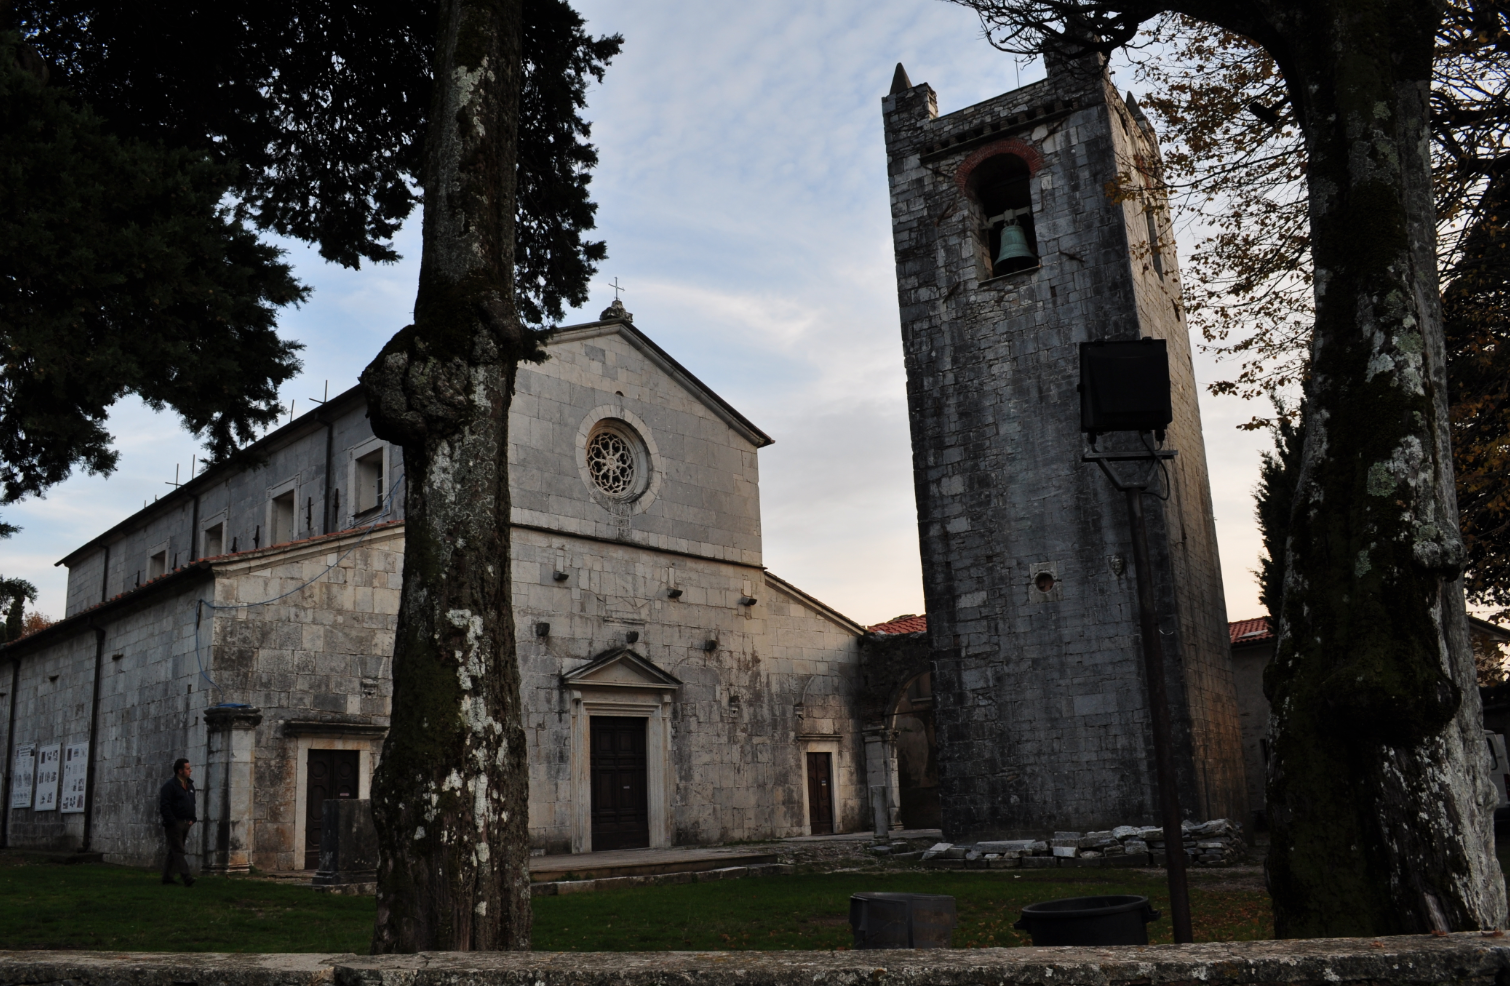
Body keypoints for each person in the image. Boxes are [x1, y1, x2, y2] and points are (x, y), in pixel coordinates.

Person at [158, 757, 196, 886]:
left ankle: (167, 878)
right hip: (175, 824)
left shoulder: (190, 786)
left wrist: (192, 819)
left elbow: (192, 803)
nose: (190, 770)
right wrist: (173, 822)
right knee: (179, 851)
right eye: (187, 768)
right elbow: (165, 806)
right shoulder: (169, 786)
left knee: (174, 851)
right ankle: (187, 877)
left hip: (186, 823)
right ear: (180, 771)